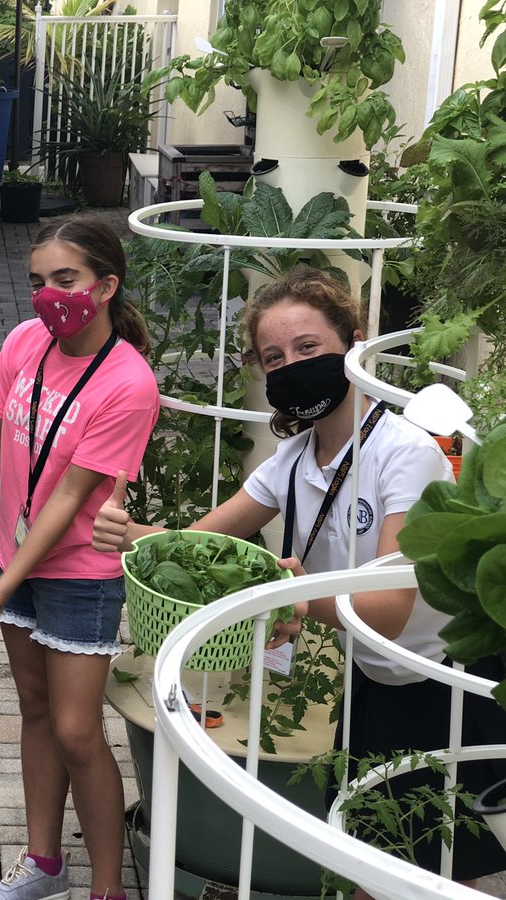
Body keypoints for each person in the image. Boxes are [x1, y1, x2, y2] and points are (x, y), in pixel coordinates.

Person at [91, 267, 506, 893]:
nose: (291, 366)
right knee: (371, 850)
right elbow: (204, 544)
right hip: (374, 679)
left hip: (444, 685)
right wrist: (127, 532)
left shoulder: (407, 454)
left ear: (356, 343)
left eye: (308, 349)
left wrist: (293, 596)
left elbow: (389, 608)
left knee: (429, 866)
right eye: (273, 357)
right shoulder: (293, 460)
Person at [0, 215, 160, 900]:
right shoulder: (26, 342)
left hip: (77, 577)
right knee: (36, 712)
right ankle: (43, 863)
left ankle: (108, 889)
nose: (48, 295)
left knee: (77, 732)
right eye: (38, 281)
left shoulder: (128, 384)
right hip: (17, 562)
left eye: (64, 280)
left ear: (106, 286)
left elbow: (72, 497)